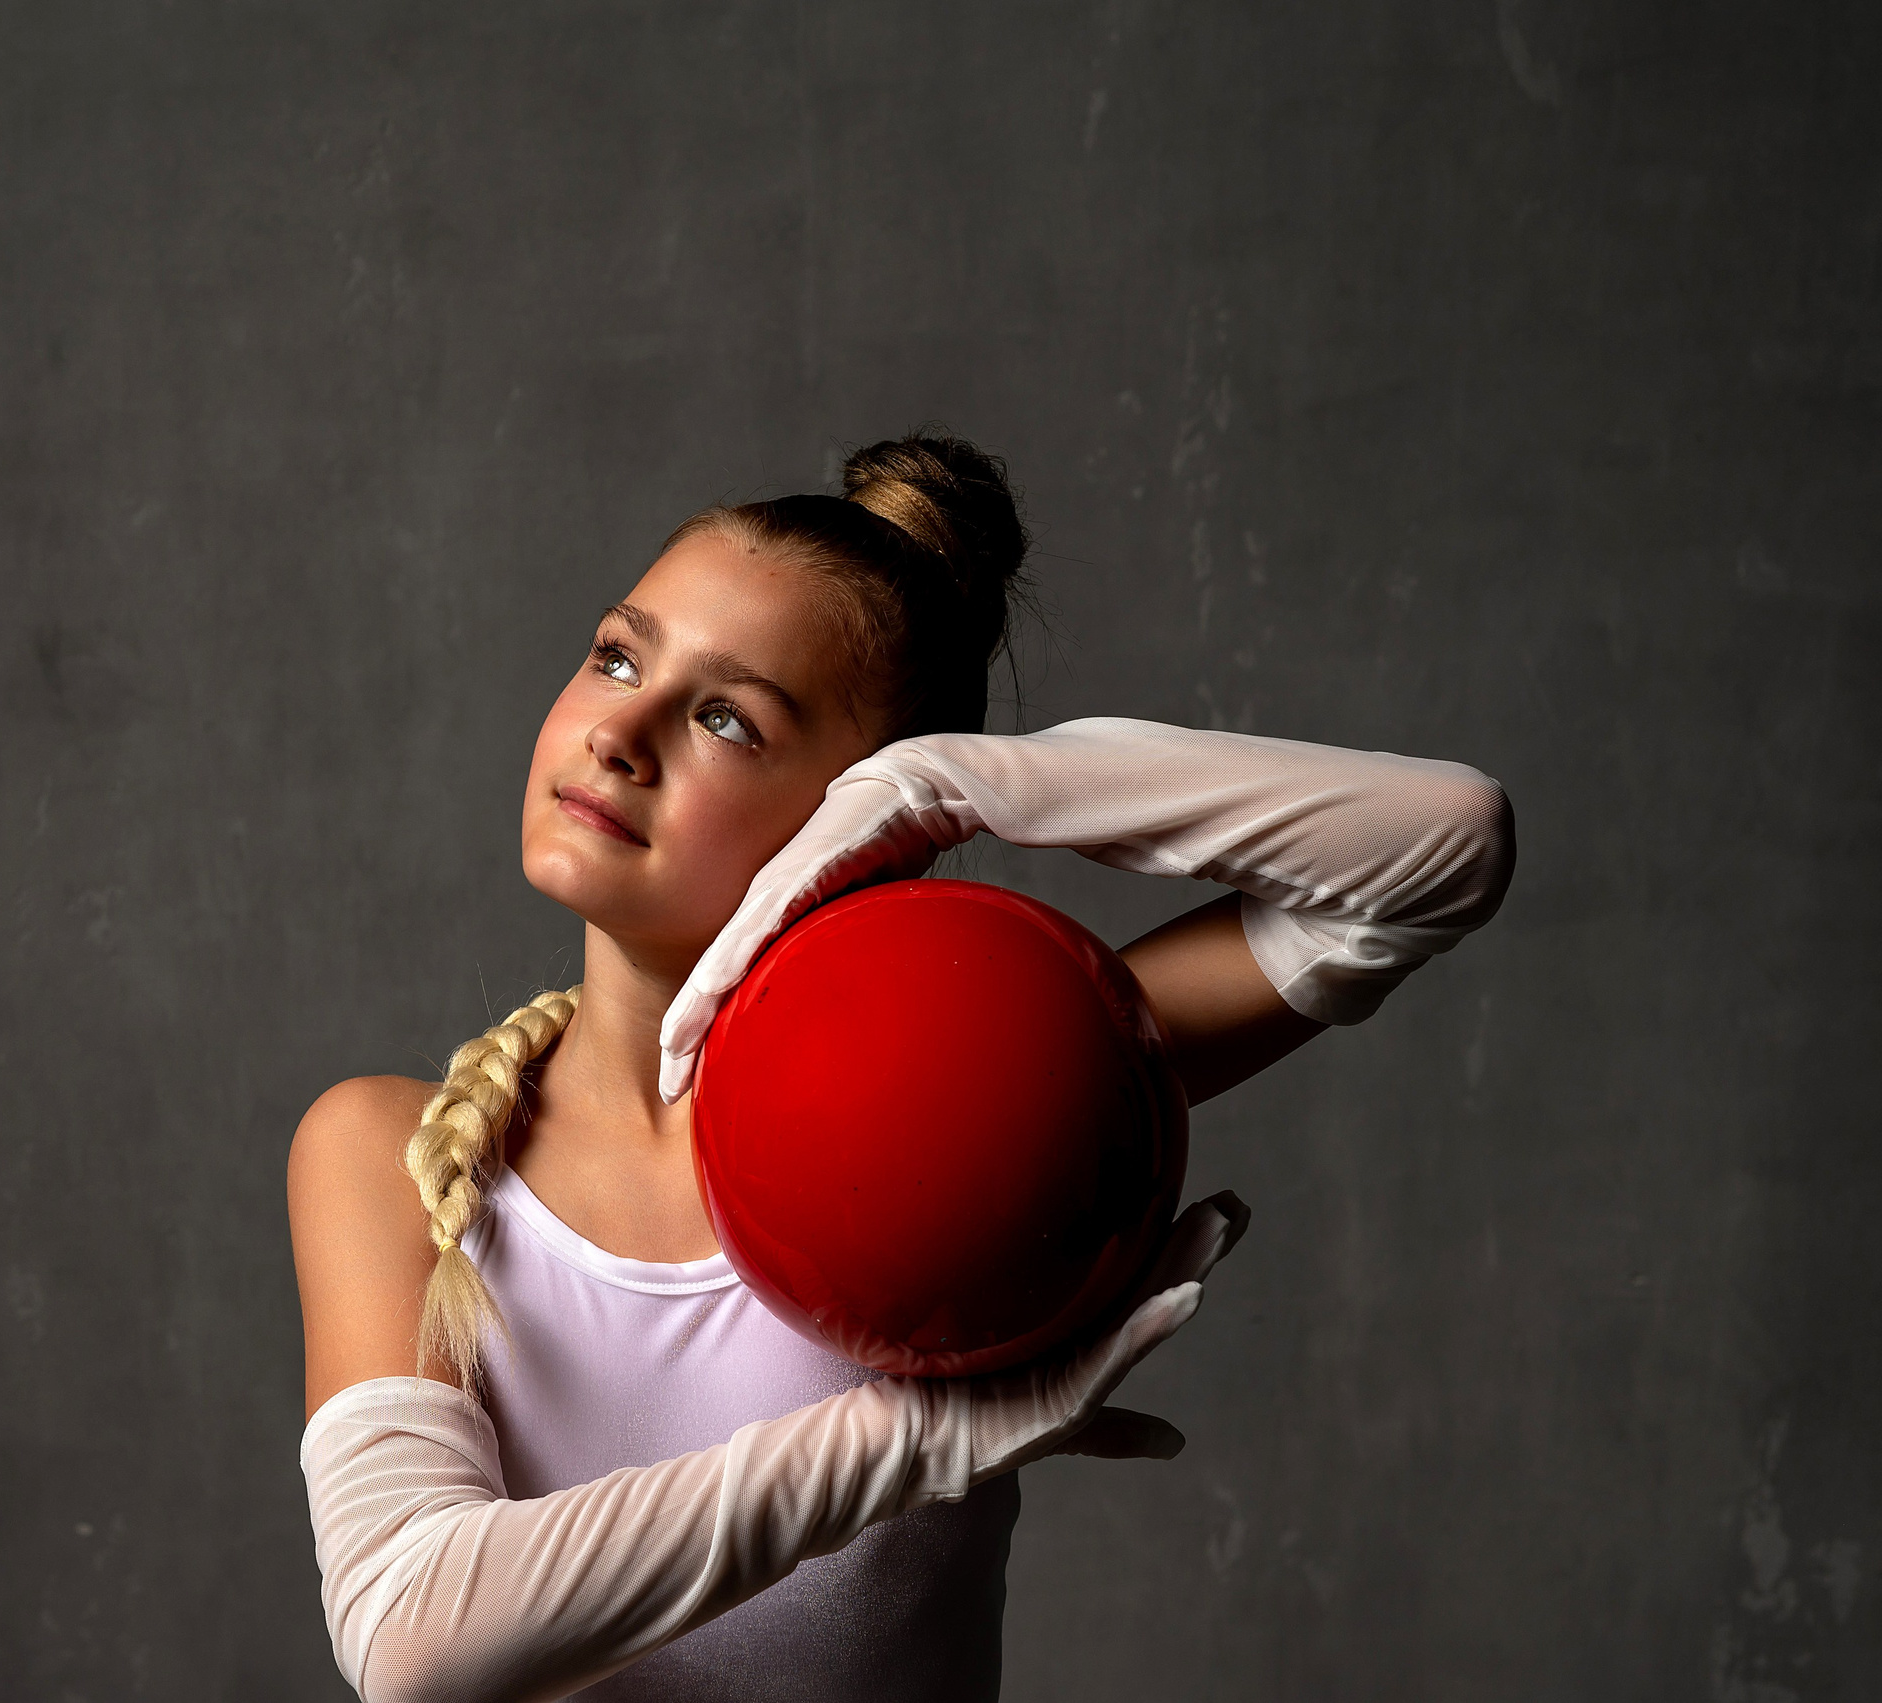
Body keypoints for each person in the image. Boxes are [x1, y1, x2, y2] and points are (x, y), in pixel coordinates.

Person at [288, 434, 1515, 1703]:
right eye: (616, 655)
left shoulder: (976, 1103)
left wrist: (968, 779)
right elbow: (412, 1638)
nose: (619, 732)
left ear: (854, 809)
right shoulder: (387, 1149)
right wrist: (915, 1439)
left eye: (727, 718)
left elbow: (1444, 847)